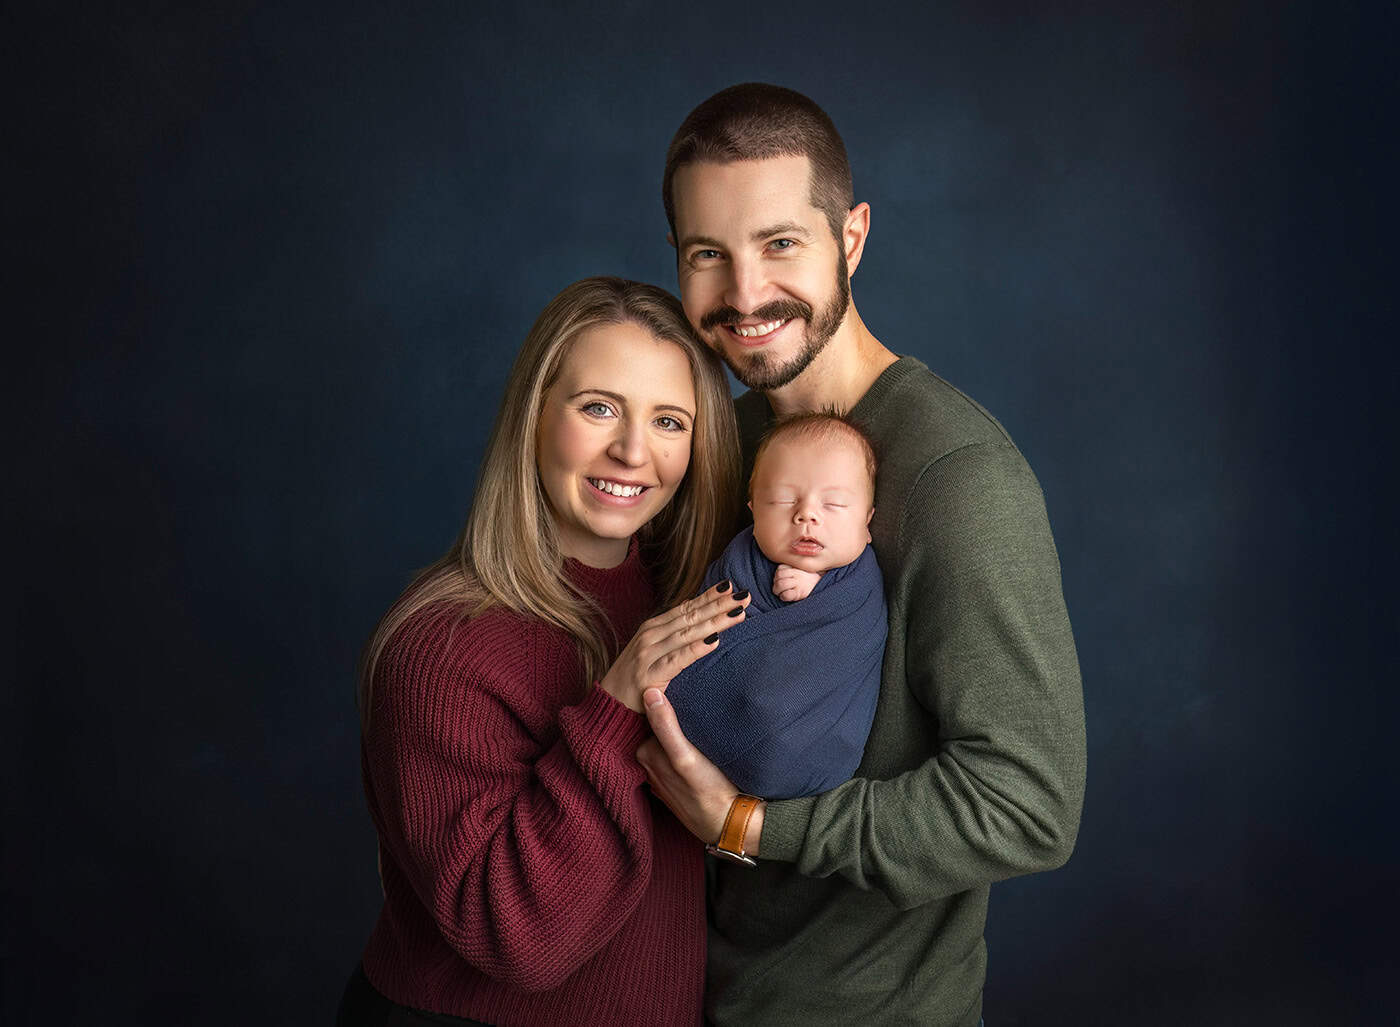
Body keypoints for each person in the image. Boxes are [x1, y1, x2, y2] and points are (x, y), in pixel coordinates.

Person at [635, 84, 1088, 1025]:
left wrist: (753, 826)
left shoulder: (959, 479)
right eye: (708, 254)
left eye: (779, 243)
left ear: (851, 238)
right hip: (687, 994)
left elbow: (1028, 804)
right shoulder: (716, 441)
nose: (745, 294)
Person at [337, 276, 752, 1026]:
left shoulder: (684, 602)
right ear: (535, 415)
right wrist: (617, 704)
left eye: (668, 421)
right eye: (598, 408)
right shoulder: (438, 646)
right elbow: (520, 942)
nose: (632, 451)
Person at [665, 410, 887, 800]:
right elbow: (699, 624)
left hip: (808, 743)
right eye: (784, 499)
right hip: (710, 722)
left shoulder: (858, 589)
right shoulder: (739, 562)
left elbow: (848, 646)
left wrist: (817, 588)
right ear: (753, 509)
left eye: (834, 504)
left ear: (867, 523)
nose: (806, 515)